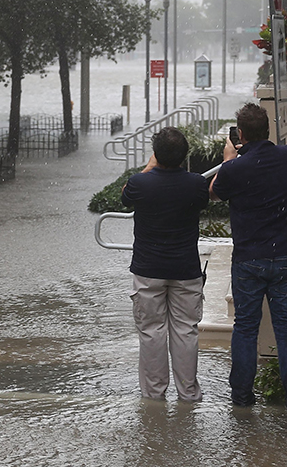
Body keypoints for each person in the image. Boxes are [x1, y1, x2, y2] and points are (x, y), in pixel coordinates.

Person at [210, 102, 287, 413]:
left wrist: (229, 158)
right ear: (268, 130)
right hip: (286, 257)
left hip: (249, 259)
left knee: (245, 328)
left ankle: (241, 399)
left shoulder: (235, 167)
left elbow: (214, 192)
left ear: (240, 134)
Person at [121, 126, 209, 402]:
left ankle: (154, 394)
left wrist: (149, 167)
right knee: (186, 332)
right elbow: (204, 200)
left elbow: (125, 196)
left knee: (151, 333)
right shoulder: (195, 183)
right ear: (185, 155)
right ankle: (188, 393)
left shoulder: (139, 183)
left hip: (148, 270)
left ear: (156, 155)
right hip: (185, 270)